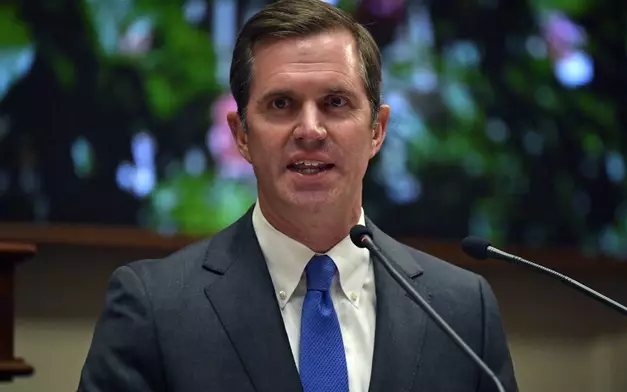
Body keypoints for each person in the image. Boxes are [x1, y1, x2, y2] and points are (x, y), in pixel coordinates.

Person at [78, 0, 519, 391]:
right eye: (281, 104)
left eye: (336, 103)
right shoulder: (154, 308)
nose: (310, 130)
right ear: (242, 135)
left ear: (377, 131)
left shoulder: (462, 311)